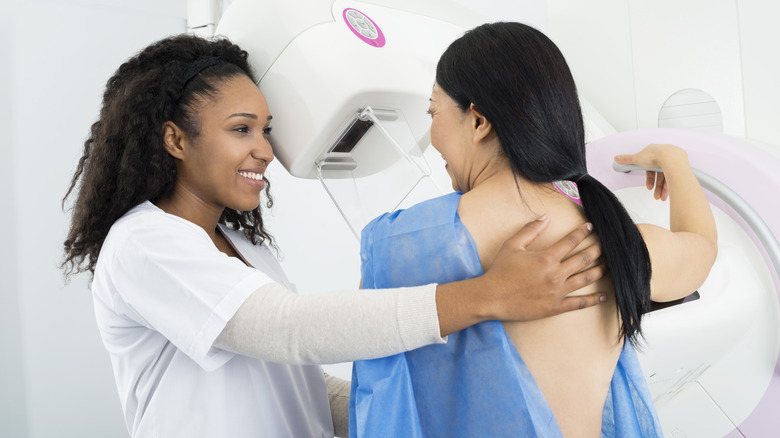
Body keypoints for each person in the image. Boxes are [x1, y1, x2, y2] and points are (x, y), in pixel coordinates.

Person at [60, 33, 608, 437]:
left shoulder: (244, 248)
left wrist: (422, 409)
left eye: (266, 130)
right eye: (241, 129)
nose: (266, 149)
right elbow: (287, 330)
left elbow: (298, 386)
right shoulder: (144, 244)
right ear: (176, 139)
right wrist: (489, 296)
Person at [349, 22, 718, 438]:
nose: (431, 134)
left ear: (479, 121)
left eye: (434, 112)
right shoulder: (614, 237)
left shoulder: (401, 246)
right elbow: (701, 249)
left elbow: (371, 366)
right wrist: (675, 160)